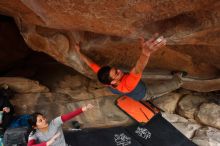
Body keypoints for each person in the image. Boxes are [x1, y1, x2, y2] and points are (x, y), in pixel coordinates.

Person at [75, 34, 184, 101]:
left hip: (135, 89)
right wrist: (145, 53)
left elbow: (90, 64)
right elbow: (138, 68)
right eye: (116, 73)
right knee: (168, 86)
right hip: (145, 94)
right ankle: (179, 79)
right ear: (113, 82)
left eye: (115, 69)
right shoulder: (127, 84)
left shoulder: (105, 77)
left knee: (129, 75)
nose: (119, 70)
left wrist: (79, 52)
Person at [27, 103, 94, 146]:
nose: (44, 120)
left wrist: (84, 108)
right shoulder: (34, 133)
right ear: (35, 126)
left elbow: (69, 115)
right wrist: (48, 143)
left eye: (44, 118)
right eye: (40, 120)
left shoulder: (55, 123)